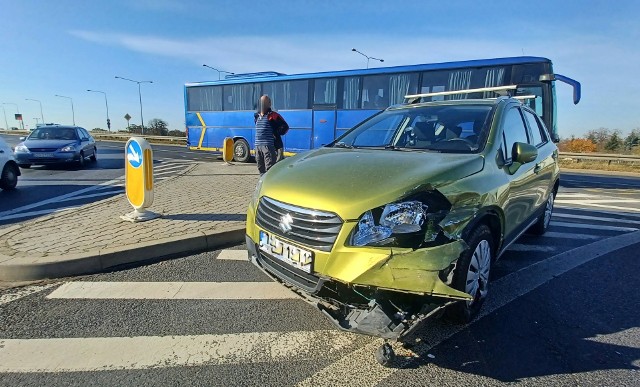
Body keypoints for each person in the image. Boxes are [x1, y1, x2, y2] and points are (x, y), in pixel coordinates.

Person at [254, 95, 289, 174]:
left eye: (265, 102)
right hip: (257, 146)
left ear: (269, 104)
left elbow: (285, 127)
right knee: (260, 168)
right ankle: (263, 184)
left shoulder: (273, 115)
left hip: (268, 146)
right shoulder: (257, 116)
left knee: (270, 169)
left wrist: (276, 133)